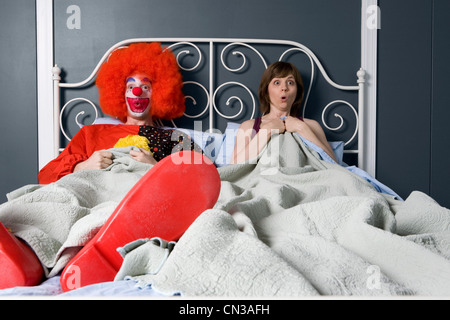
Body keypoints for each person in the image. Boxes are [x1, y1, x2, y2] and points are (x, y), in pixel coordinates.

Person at [0, 42, 220, 290]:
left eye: (145, 86)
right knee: (56, 203)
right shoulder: (92, 133)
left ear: (159, 93)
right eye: (130, 86)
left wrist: (156, 167)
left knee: (117, 209)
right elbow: (47, 175)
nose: (137, 93)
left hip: (137, 196)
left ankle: (99, 246)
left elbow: (201, 179)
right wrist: (82, 166)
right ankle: (23, 256)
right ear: (119, 92)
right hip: (88, 187)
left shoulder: (175, 138)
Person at [231, 61, 337, 164]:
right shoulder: (249, 126)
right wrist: (267, 130)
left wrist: (302, 128)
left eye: (290, 82)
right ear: (266, 90)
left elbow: (334, 165)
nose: (284, 88)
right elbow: (234, 167)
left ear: (297, 91)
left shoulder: (311, 125)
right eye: (277, 82)